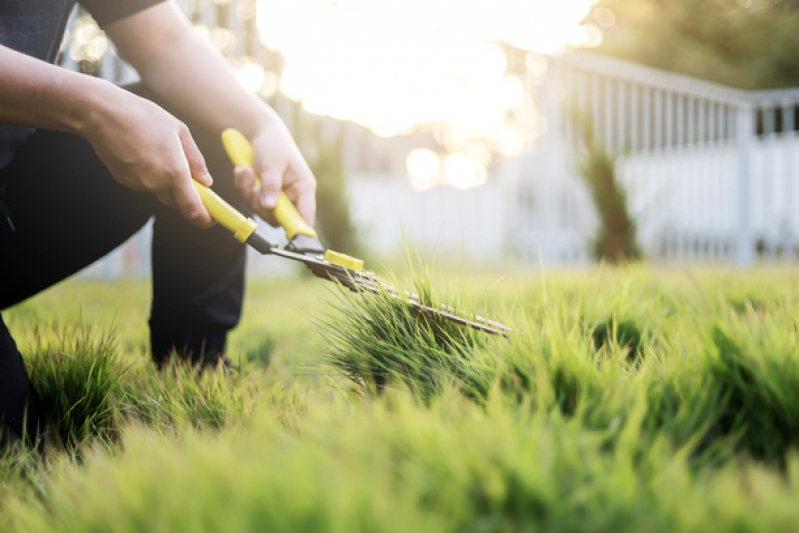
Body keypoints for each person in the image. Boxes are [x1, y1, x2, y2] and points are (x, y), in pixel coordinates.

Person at [0, 0, 318, 449]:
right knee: (18, 447)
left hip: (12, 191)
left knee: (206, 124)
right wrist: (95, 108)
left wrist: (262, 124)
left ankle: (195, 370)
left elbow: (164, 40)